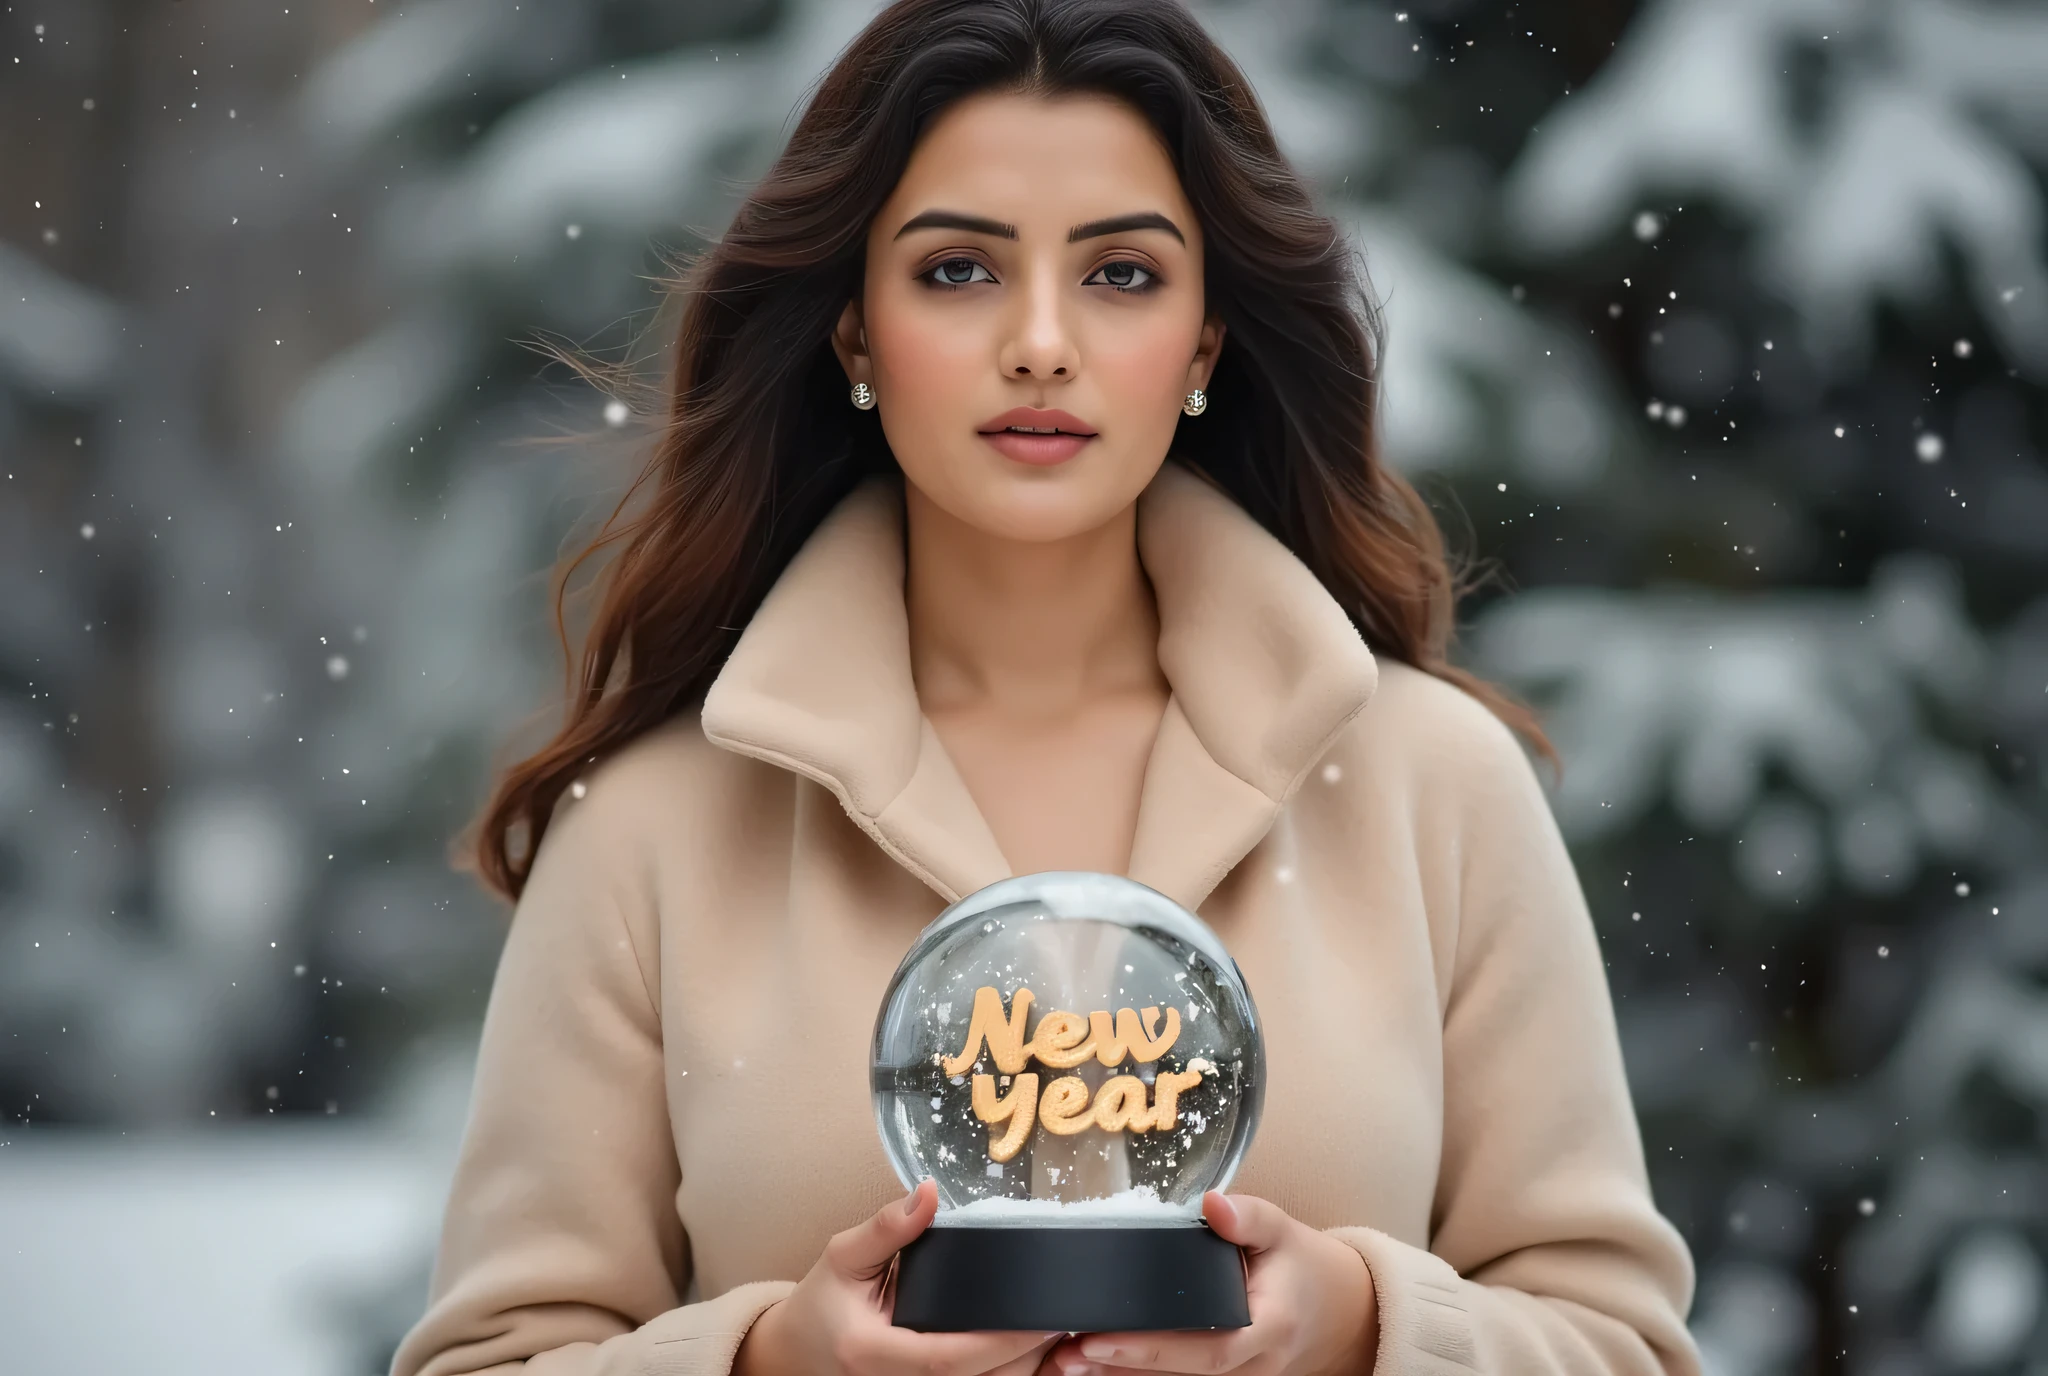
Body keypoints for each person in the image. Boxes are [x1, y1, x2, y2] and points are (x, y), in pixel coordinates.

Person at [390, 2, 1700, 1373]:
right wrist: (775, 1362)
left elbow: (1627, 1347)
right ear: (851, 330)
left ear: (1206, 342)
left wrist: (1367, 1329)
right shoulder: (656, 826)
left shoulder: (1432, 784)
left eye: (1122, 275)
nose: (1040, 342)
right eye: (957, 270)